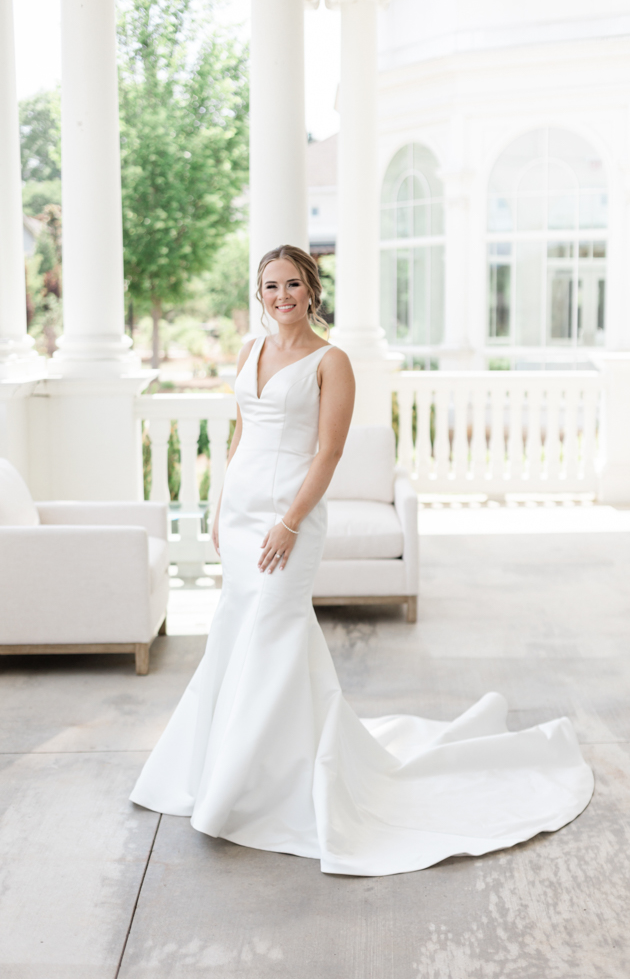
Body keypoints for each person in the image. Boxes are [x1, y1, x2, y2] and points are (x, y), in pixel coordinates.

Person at [130, 244, 594, 877]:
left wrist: (290, 522)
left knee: (274, 630)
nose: (280, 296)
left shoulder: (332, 360)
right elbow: (238, 433)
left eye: (292, 284)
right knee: (237, 631)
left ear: (311, 289)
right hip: (239, 517)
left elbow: (328, 453)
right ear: (259, 293)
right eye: (270, 286)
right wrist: (216, 507)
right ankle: (228, 769)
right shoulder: (249, 350)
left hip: (291, 517)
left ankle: (270, 783)